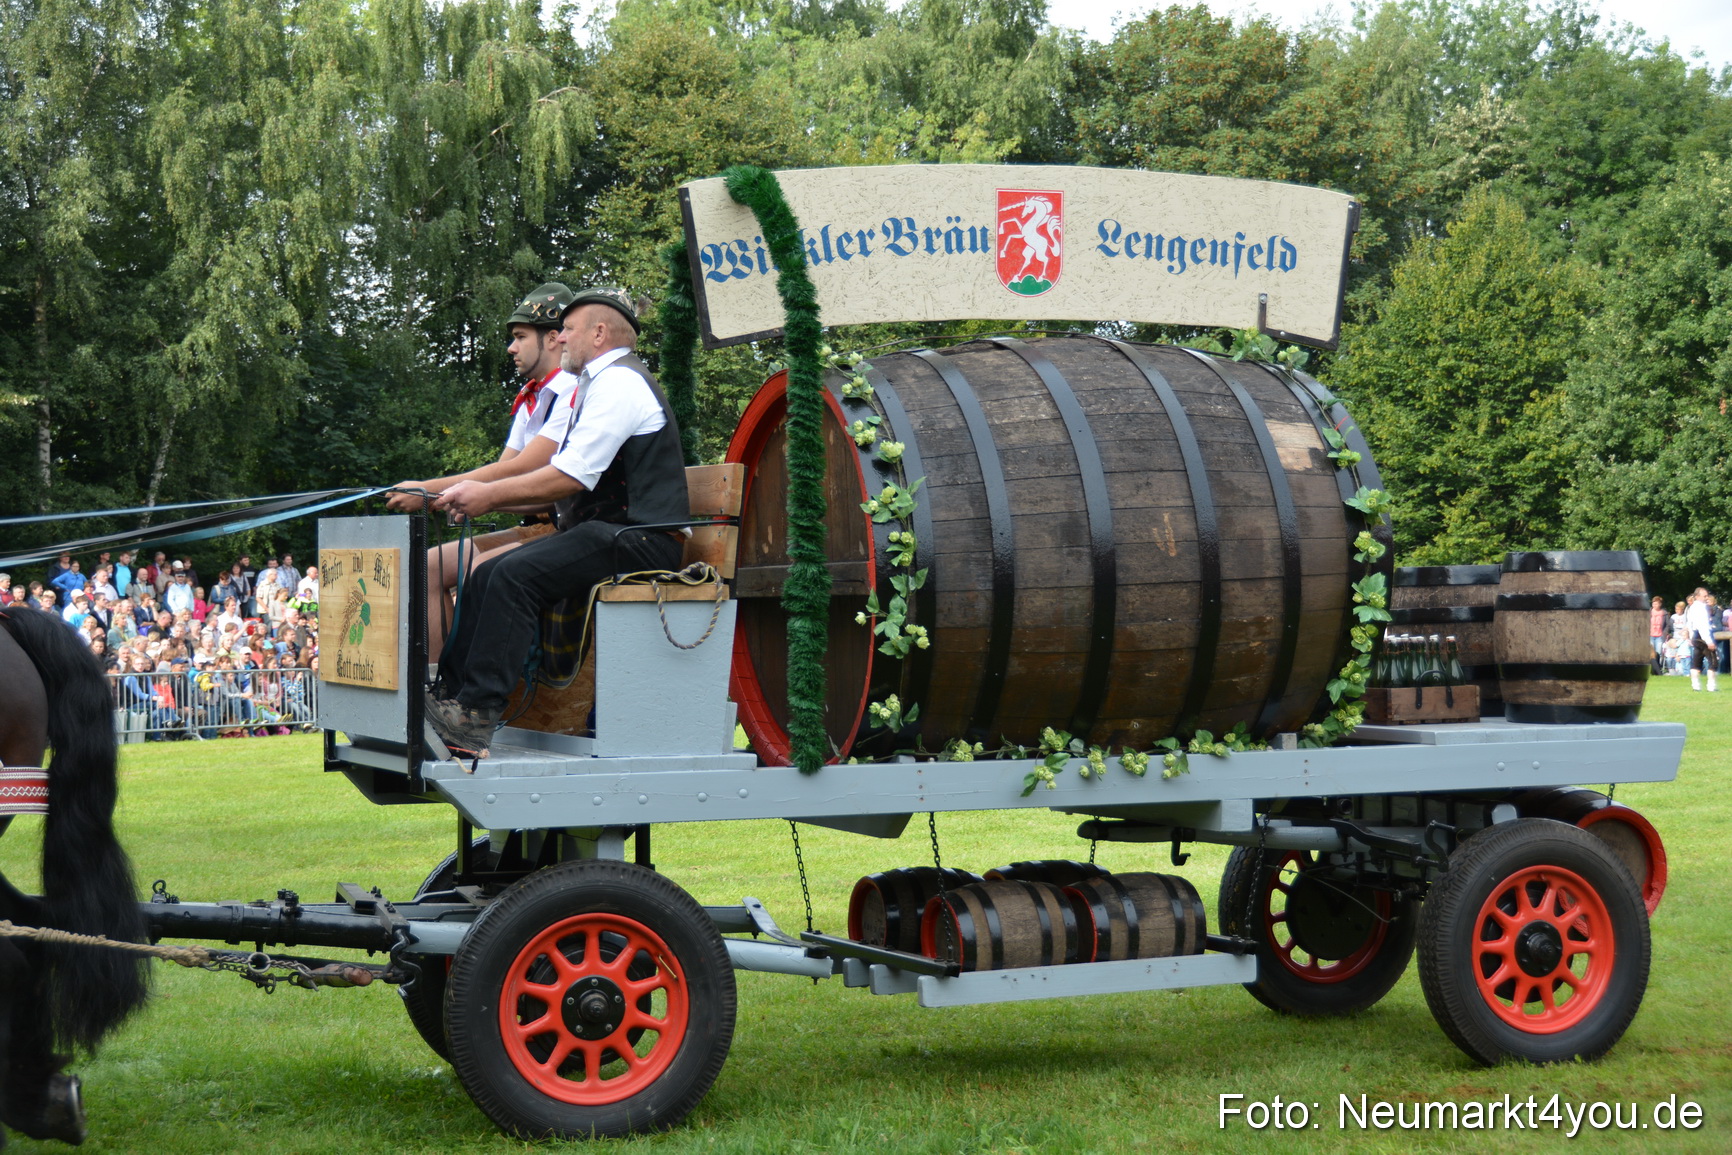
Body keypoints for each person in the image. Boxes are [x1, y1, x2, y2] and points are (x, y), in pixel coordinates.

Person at [426, 286, 686, 757]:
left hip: (642, 539)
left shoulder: (620, 383)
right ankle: (452, 700)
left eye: (567, 329)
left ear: (599, 333)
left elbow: (570, 476)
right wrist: (482, 495)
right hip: (612, 533)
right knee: (487, 573)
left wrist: (486, 496)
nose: (560, 338)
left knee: (513, 576)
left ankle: (476, 717)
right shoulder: (599, 383)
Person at [387, 282, 583, 660]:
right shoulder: (533, 397)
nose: (511, 348)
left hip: (564, 527)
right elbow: (504, 467)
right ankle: (438, 679)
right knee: (428, 566)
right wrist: (444, 495)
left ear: (552, 338)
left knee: (482, 568)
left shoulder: (571, 391)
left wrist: (428, 490)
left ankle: (474, 682)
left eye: (520, 337)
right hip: (538, 525)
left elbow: (528, 466)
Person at [1686, 587, 1718, 692]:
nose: (1707, 598)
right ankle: (1711, 686)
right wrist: (1709, 641)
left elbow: (1689, 624)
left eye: (1707, 595)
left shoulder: (1691, 607)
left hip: (1695, 636)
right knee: (1713, 661)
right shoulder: (1702, 608)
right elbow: (1703, 626)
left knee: (1696, 661)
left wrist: (1691, 637)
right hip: (1702, 636)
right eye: (1704, 596)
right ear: (1697, 596)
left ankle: (1695, 686)